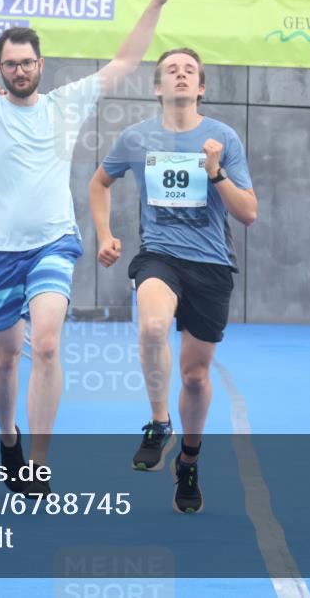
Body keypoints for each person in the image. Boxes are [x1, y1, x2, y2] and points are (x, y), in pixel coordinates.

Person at [0, 0, 186, 494]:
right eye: (11, 64)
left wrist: (157, 2)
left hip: (52, 241)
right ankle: (9, 439)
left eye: (27, 62)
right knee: (5, 359)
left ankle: (38, 461)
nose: (20, 70)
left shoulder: (64, 105)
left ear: (41, 65)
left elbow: (125, 61)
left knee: (46, 345)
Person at [89, 47, 257, 514]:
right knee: (153, 326)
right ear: (157, 87)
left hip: (211, 264)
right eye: (171, 70)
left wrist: (216, 172)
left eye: (189, 71)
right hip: (159, 256)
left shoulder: (222, 138)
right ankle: (159, 422)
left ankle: (189, 460)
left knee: (195, 376)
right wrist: (104, 234)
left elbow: (248, 213)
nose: (180, 75)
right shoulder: (136, 139)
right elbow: (99, 183)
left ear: (200, 87)